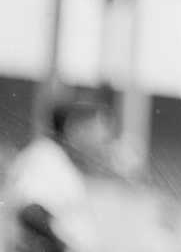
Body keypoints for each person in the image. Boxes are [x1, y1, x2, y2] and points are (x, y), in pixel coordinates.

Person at [1, 97, 115, 252]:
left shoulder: (60, 162)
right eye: (97, 132)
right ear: (75, 128)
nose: (103, 142)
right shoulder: (45, 157)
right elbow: (30, 211)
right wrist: (64, 246)